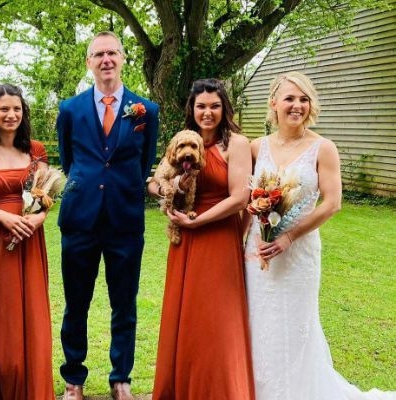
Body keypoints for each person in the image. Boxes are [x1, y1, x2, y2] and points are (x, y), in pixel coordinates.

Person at [245, 71, 396, 399]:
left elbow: (332, 203)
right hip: (257, 255)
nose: (297, 105)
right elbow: (244, 198)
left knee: (296, 329)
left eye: (303, 99)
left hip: (298, 255)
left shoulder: (322, 148)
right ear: (273, 103)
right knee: (259, 326)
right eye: (289, 98)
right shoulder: (257, 147)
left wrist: (287, 237)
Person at [57, 31, 159, 400]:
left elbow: (144, 161)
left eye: (112, 53)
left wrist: (121, 186)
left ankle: (121, 378)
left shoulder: (146, 110)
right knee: (76, 303)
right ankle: (74, 379)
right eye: (98, 54)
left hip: (125, 220)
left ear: (123, 58)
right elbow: (70, 162)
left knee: (124, 303)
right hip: (80, 220)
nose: (106, 60)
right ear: (89, 62)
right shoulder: (70, 109)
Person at [149, 78, 255, 399]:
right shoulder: (182, 141)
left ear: (224, 108)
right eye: (201, 106)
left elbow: (240, 198)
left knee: (216, 320)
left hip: (218, 235)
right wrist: (168, 192)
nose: (207, 112)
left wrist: (199, 222)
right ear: (191, 109)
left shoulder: (236, 144)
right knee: (187, 318)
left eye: (214, 106)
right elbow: (155, 182)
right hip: (184, 239)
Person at [0, 83, 55, 399]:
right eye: (4, 108)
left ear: (23, 112)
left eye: (16, 108)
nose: (11, 114)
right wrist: (4, 218)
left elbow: (45, 195)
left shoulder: (36, 150)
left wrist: (36, 220)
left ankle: (29, 386)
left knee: (28, 314)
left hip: (29, 240)